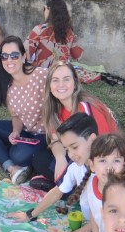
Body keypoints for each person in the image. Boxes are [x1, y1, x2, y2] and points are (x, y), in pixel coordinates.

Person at [29, 60, 117, 188]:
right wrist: (60, 158)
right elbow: (55, 140)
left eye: (66, 79)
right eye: (55, 80)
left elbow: (106, 148)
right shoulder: (55, 108)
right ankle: (64, 186)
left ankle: (65, 188)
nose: (61, 85)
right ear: (49, 86)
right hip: (78, 156)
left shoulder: (87, 107)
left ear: (75, 83)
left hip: (104, 164)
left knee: (56, 168)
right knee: (39, 158)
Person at [0, 35, 48, 184]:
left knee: (19, 155)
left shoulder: (41, 75)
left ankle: (10, 154)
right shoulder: (7, 84)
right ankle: (11, 167)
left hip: (45, 134)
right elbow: (16, 117)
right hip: (25, 132)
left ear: (23, 57)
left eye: (14, 55)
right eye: (5, 56)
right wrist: (16, 132)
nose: (9, 60)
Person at [26, 0, 83, 69]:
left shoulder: (39, 30)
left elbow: (25, 55)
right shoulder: (69, 32)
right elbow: (78, 55)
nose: (44, 12)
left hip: (44, 73)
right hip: (62, 72)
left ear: (48, 9)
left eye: (44, 8)